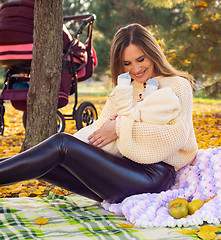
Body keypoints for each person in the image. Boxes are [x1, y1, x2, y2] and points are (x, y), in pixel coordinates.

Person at [0, 23, 198, 204]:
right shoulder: (123, 89)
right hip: (116, 172)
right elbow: (99, 131)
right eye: (127, 63)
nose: (136, 69)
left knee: (61, 144)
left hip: (152, 176)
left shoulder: (177, 84)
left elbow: (176, 136)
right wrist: (89, 144)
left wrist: (119, 128)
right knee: (43, 162)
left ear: (153, 53)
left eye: (141, 59)